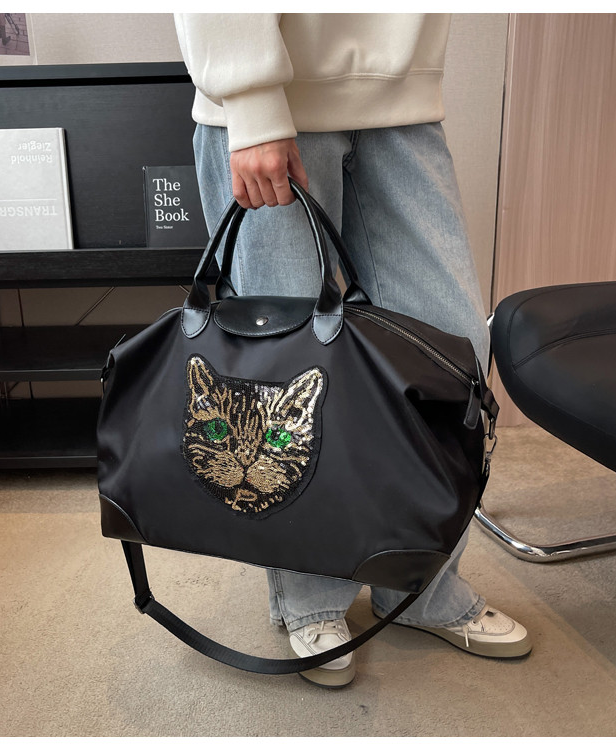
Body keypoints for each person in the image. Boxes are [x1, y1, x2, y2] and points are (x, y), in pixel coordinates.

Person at [173, 12, 532, 688]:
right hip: (277, 95)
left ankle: (418, 585)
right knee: (288, 372)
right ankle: (311, 596)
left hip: (403, 93)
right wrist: (250, 96)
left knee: (450, 350)